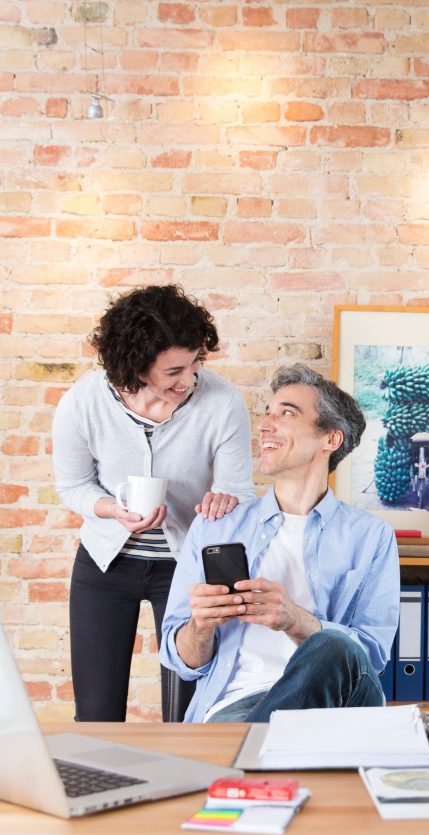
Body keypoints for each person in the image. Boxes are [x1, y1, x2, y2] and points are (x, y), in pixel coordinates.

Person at [52, 285, 255, 722]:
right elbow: (73, 486)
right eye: (174, 371)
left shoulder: (222, 404)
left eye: (197, 363)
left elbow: (242, 492)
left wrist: (225, 501)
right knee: (97, 711)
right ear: (137, 367)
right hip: (105, 565)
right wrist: (112, 510)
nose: (190, 380)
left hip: (188, 568)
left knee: (187, 709)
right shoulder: (82, 403)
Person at [160, 364, 400, 723]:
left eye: (286, 413)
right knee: (262, 727)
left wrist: (296, 621)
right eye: (267, 413)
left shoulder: (371, 536)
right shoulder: (217, 526)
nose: (264, 425)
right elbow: (181, 661)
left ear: (330, 440)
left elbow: (370, 656)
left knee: (334, 645)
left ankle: (253, 754)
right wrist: (202, 625)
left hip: (337, 708)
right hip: (238, 707)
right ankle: (265, 743)